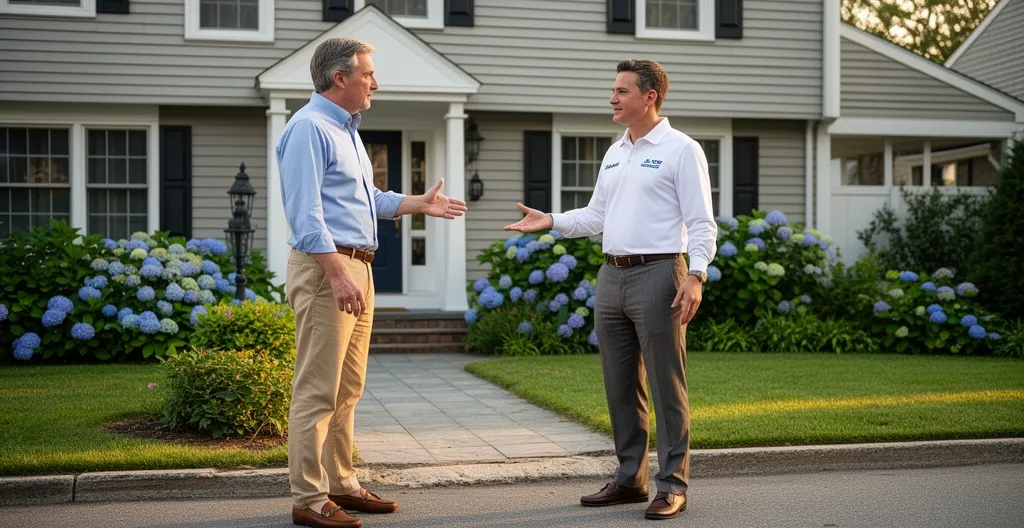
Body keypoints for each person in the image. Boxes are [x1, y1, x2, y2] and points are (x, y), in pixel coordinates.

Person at [504, 58, 717, 521]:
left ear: (649, 97)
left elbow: (702, 222)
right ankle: (629, 479)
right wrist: (552, 221)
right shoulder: (616, 151)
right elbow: (597, 215)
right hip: (612, 275)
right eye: (613, 90)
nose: (612, 98)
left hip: (661, 273)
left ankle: (672, 485)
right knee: (620, 385)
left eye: (621, 91)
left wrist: (696, 276)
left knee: (666, 385)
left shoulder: (682, 149)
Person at [278, 37, 468, 528]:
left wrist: (416, 204)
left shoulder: (349, 132)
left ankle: (341, 484)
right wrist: (338, 273)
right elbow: (306, 216)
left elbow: (369, 200)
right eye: (368, 74)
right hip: (328, 270)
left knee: (348, 388)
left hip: (356, 265)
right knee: (317, 388)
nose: (375, 83)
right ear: (339, 78)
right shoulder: (308, 128)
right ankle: (309, 498)